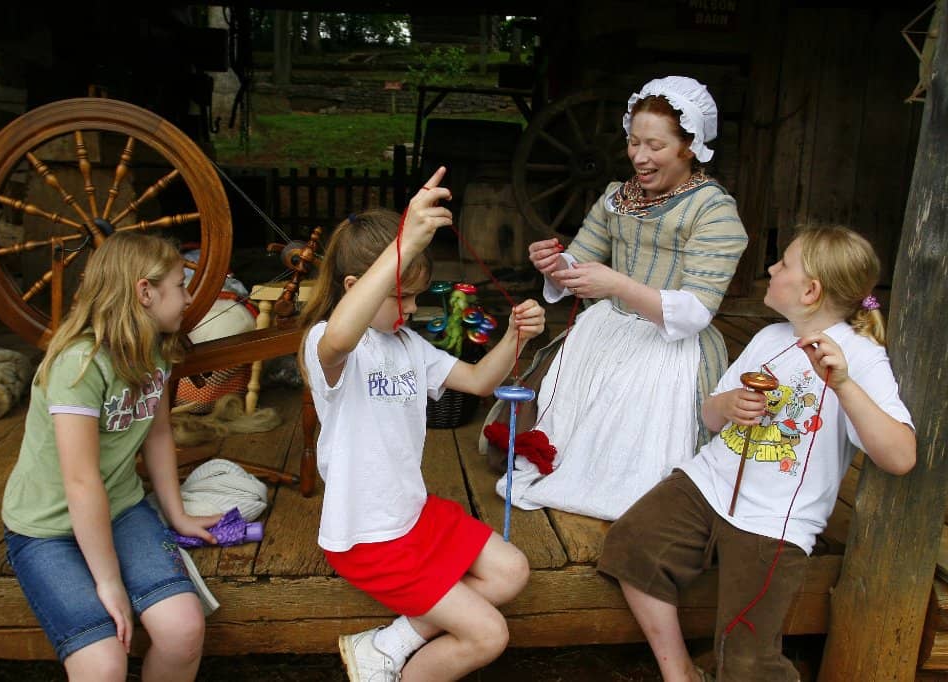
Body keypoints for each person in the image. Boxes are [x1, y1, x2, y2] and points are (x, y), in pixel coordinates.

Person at [599, 225, 916, 681]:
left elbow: (901, 456)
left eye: (782, 263)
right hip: (706, 483)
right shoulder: (769, 337)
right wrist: (727, 405)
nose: (770, 268)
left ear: (810, 290)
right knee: (631, 546)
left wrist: (843, 385)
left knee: (747, 662)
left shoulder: (861, 359)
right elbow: (710, 415)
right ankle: (680, 674)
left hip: (773, 520)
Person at [298, 167, 546, 681]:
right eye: (400, 296)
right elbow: (341, 337)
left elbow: (479, 381)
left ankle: (385, 647)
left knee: (511, 571)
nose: (410, 310)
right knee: (488, 634)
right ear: (355, 287)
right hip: (368, 534)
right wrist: (404, 244)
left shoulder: (408, 345)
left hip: (412, 514)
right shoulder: (330, 341)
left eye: (415, 296)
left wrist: (516, 338)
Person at [487, 75, 750, 520]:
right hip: (606, 331)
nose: (639, 157)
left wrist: (618, 286)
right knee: (550, 434)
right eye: (633, 142)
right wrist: (557, 265)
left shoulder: (713, 211)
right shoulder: (616, 197)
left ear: (690, 146)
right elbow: (582, 260)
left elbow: (697, 310)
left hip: (669, 347)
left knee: (629, 462)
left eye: (655, 146)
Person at [1, 231, 222, 681]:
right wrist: (109, 582)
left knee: (182, 630)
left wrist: (176, 514)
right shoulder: (79, 364)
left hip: (120, 509)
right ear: (145, 291)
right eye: (180, 284)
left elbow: (158, 434)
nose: (188, 297)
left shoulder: (155, 350)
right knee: (104, 666)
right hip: (46, 528)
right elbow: (81, 483)